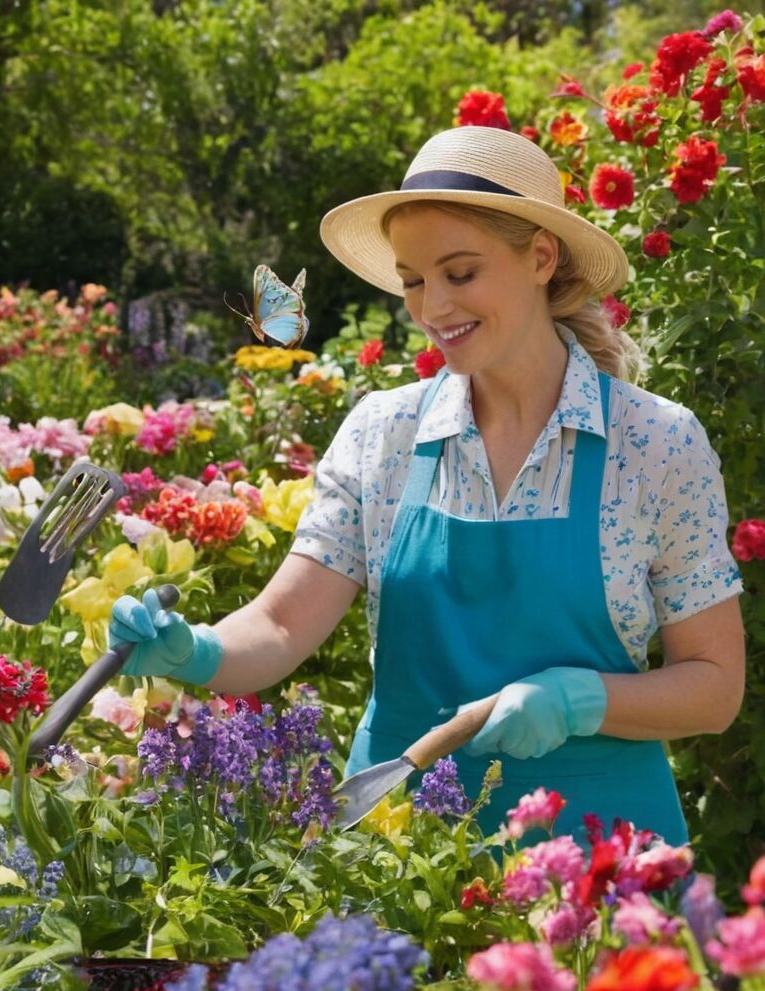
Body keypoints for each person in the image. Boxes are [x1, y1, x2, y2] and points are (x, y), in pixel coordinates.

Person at [109, 125, 746, 847]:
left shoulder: (655, 443)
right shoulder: (384, 434)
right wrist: (197, 652)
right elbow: (283, 625)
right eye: (414, 280)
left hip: (602, 866)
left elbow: (715, 685)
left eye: (460, 273)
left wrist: (581, 700)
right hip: (400, 852)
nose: (433, 308)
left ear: (540, 257)